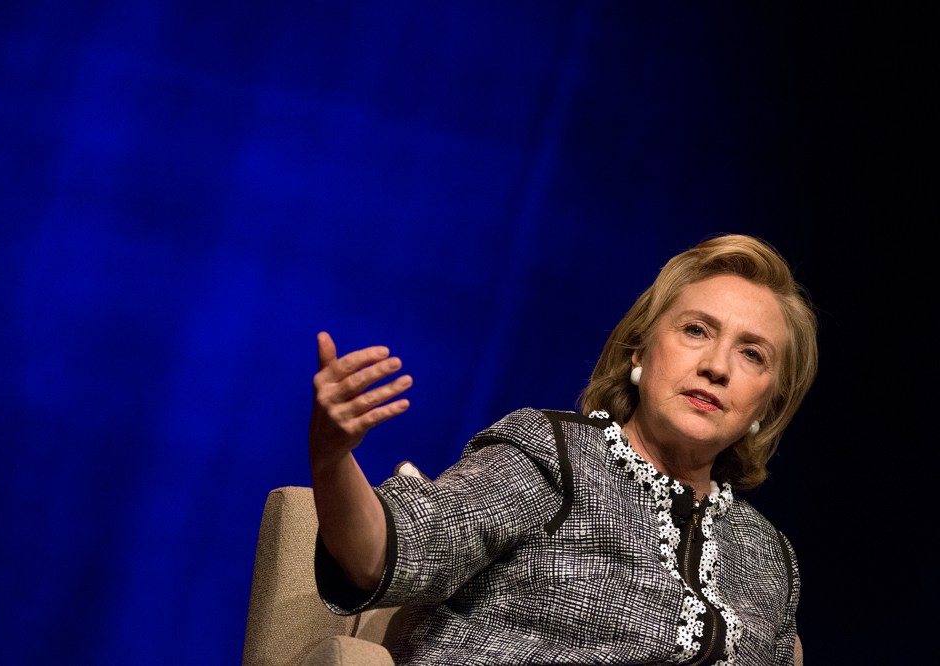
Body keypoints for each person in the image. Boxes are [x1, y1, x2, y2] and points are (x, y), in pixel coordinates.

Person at [307, 233, 817, 665]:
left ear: (767, 406)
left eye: (752, 354)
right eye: (695, 330)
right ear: (640, 349)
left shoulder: (767, 556)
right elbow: (381, 555)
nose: (717, 366)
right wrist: (331, 458)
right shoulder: (552, 456)